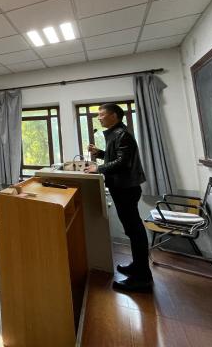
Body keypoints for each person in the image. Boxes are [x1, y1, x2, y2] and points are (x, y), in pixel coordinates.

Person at [85, 103, 151, 292]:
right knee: (132, 230)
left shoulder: (123, 134)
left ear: (114, 115)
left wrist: (98, 168)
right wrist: (100, 153)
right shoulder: (117, 133)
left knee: (135, 231)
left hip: (126, 188)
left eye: (101, 114)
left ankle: (143, 278)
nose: (99, 118)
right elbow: (115, 156)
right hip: (122, 187)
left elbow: (123, 162)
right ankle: (137, 267)